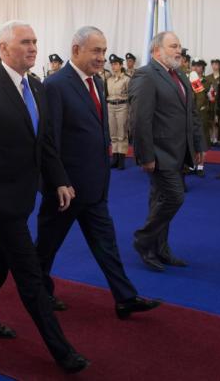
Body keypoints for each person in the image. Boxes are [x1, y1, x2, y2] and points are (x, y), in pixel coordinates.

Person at [0, 20, 89, 373]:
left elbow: (44, 142)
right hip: (0, 201)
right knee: (30, 276)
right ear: (3, 48)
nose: (33, 47)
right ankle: (62, 351)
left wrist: (59, 179)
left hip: (23, 194)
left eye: (35, 41)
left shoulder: (36, 86)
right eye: (25, 42)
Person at [36, 26, 160, 319]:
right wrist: (60, 182)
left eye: (104, 51)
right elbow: (48, 141)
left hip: (94, 187)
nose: (102, 57)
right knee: (45, 249)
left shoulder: (98, 83)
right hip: (65, 190)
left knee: (107, 245)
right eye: (96, 51)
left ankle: (125, 297)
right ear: (76, 50)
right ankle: (38, 292)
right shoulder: (56, 85)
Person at [129, 31, 205, 272]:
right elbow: (140, 120)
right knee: (174, 197)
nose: (178, 50)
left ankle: (159, 249)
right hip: (159, 153)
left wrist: (198, 144)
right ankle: (143, 240)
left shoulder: (180, 76)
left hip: (179, 151)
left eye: (180, 46)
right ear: (156, 51)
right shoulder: (146, 75)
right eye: (173, 46)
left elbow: (190, 113)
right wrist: (145, 155)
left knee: (160, 199)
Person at [106, 54, 131, 170]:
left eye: (115, 64)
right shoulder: (109, 79)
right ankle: (115, 158)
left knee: (122, 133)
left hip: (122, 106)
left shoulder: (126, 79)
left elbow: (131, 95)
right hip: (111, 106)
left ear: (121, 65)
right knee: (113, 133)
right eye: (112, 64)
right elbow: (106, 94)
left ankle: (121, 159)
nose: (113, 66)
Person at [189, 58, 210, 176]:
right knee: (191, 140)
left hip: (201, 113)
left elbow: (207, 99)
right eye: (194, 66)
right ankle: (192, 164)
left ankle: (201, 166)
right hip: (190, 115)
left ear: (203, 68)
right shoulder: (188, 79)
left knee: (201, 141)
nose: (196, 68)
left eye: (199, 66)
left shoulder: (207, 82)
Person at [204, 59, 220, 145]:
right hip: (209, 102)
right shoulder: (207, 78)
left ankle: (216, 138)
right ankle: (210, 137)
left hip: (219, 102)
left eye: (217, 64)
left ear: (219, 66)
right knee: (209, 120)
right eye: (213, 64)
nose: (215, 66)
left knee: (217, 120)